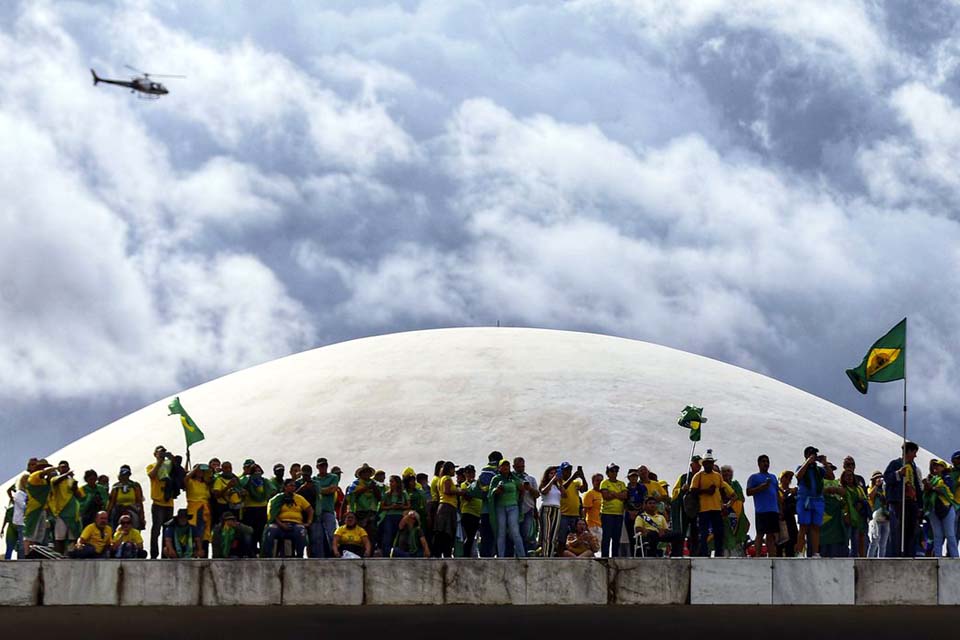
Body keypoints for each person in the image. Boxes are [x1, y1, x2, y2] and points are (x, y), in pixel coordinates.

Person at [883, 441, 921, 557]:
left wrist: (920, 505)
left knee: (910, 530)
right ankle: (894, 556)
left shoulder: (913, 467)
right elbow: (887, 478)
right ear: (908, 452)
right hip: (898, 502)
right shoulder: (895, 463)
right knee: (897, 530)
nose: (915, 456)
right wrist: (898, 474)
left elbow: (917, 486)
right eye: (914, 452)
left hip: (911, 503)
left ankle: (909, 555)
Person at [795, 446, 834, 557]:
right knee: (803, 526)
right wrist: (807, 462)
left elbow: (831, 476)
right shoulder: (801, 467)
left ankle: (816, 552)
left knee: (816, 527)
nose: (813, 456)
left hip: (817, 500)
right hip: (805, 500)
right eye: (811, 454)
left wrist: (825, 463)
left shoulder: (818, 470)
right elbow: (798, 476)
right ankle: (799, 552)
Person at [690, 451, 730, 557]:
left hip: (717, 508)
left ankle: (718, 553)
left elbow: (722, 490)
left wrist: (724, 504)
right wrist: (706, 491)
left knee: (719, 532)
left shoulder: (718, 476)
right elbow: (693, 491)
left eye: (711, 462)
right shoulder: (698, 476)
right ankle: (703, 553)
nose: (709, 464)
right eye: (707, 462)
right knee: (704, 533)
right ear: (703, 464)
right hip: (704, 509)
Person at [264, 478, 313, 557]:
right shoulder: (277, 498)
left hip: (296, 524)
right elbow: (272, 514)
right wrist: (281, 524)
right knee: (270, 530)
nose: (293, 487)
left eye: (294, 486)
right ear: (285, 487)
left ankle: (300, 556)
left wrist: (309, 522)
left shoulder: (299, 498)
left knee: (301, 531)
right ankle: (268, 556)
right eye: (290, 485)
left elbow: (310, 509)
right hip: (280, 524)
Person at [488, 459, 526, 557]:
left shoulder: (514, 478)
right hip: (500, 507)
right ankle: (501, 556)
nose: (505, 468)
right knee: (501, 532)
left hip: (513, 507)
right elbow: (490, 493)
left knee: (515, 531)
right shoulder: (496, 479)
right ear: (499, 468)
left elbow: (522, 489)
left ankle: (522, 556)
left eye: (507, 466)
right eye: (503, 466)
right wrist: (497, 490)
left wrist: (519, 499)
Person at [48, 460, 84, 554]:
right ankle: (59, 555)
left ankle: (70, 555)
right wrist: (67, 474)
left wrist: (73, 482)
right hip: (61, 512)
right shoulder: (55, 479)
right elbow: (55, 482)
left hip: (72, 512)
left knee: (73, 537)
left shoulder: (70, 480)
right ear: (59, 469)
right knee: (60, 537)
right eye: (62, 467)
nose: (64, 469)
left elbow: (78, 495)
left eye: (65, 467)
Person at [923, 459, 958, 557]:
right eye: (935, 465)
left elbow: (947, 491)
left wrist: (933, 488)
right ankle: (937, 559)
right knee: (937, 536)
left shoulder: (947, 478)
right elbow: (926, 493)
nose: (936, 467)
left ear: (943, 468)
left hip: (947, 508)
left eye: (939, 465)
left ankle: (955, 558)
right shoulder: (932, 479)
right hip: (934, 509)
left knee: (950, 535)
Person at [746, 454, 780, 558]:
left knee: (771, 535)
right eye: (763, 461)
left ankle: (772, 556)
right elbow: (748, 492)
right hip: (762, 510)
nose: (766, 463)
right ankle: (757, 555)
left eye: (767, 461)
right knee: (760, 533)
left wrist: (780, 509)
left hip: (773, 510)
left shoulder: (773, 477)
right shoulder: (754, 477)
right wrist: (762, 487)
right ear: (759, 464)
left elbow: (776, 493)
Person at [670, 455, 702, 558]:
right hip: (684, 509)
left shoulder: (702, 477)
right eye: (697, 464)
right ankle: (677, 553)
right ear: (692, 465)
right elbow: (674, 493)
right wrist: (681, 490)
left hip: (697, 509)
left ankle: (695, 554)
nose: (698, 466)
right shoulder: (684, 477)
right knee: (681, 532)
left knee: (695, 533)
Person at [23, 459, 57, 555]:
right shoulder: (34, 476)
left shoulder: (43, 481)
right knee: (30, 534)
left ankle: (33, 554)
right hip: (34, 510)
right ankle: (26, 554)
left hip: (42, 509)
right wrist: (52, 469)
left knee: (38, 535)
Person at [146, 446, 175, 559]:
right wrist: (159, 462)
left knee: (167, 531)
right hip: (158, 502)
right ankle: (154, 554)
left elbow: (178, 472)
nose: (162, 454)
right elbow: (152, 475)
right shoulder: (151, 466)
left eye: (164, 452)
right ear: (155, 454)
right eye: (160, 452)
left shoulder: (169, 465)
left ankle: (165, 554)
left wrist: (172, 459)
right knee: (156, 530)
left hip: (169, 502)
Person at [347, 463, 381, 549]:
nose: (367, 474)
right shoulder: (356, 483)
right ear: (361, 474)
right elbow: (351, 495)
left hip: (372, 512)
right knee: (361, 533)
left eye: (368, 472)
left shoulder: (375, 484)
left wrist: (374, 488)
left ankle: (371, 551)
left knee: (372, 533)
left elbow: (380, 497)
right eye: (364, 472)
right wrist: (366, 488)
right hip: (360, 512)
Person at [240, 463, 270, 555]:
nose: (258, 472)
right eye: (255, 471)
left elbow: (270, 492)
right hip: (250, 510)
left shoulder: (265, 481)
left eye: (259, 471)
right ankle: (250, 552)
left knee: (261, 532)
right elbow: (239, 485)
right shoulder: (246, 480)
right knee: (251, 532)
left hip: (262, 509)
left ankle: (262, 552)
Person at [599, 463, 628, 557]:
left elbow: (625, 496)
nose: (614, 473)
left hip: (619, 514)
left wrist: (613, 494)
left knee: (616, 537)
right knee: (606, 537)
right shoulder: (605, 483)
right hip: (607, 514)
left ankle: (615, 556)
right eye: (612, 471)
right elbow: (606, 496)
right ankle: (605, 557)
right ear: (607, 473)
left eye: (616, 471)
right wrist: (619, 495)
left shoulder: (622, 483)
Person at [840, 468, 870, 557]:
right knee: (846, 541)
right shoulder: (842, 489)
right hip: (848, 518)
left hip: (858, 519)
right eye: (847, 476)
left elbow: (865, 499)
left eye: (851, 476)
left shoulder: (858, 489)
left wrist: (861, 503)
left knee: (857, 542)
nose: (849, 478)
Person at [314, 458, 340, 558]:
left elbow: (332, 490)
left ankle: (334, 554)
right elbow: (327, 489)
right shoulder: (314, 478)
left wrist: (319, 489)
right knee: (318, 536)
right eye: (321, 465)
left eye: (324, 465)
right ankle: (320, 557)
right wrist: (326, 489)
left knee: (331, 534)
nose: (323, 467)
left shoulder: (333, 477)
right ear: (317, 467)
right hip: (317, 512)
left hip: (328, 510)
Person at [513, 457, 539, 554]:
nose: (521, 468)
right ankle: (516, 554)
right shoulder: (511, 478)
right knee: (514, 534)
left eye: (522, 466)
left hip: (528, 509)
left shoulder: (530, 479)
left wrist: (529, 488)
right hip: (514, 509)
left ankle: (524, 554)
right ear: (514, 466)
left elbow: (537, 495)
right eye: (518, 467)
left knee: (526, 534)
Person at [477, 451, 502, 557]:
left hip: (484, 510)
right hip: (496, 510)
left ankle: (485, 557)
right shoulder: (498, 472)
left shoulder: (484, 471)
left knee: (486, 537)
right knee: (495, 536)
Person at [380, 474, 411, 558]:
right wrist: (391, 507)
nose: (390, 483)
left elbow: (408, 505)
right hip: (389, 516)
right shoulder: (387, 494)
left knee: (399, 537)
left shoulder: (403, 493)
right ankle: (387, 553)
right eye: (390, 481)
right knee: (388, 536)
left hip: (400, 516)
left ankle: (399, 553)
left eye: (392, 481)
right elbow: (382, 506)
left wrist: (400, 507)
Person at [184, 464, 212, 555]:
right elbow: (185, 479)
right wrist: (195, 468)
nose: (200, 472)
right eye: (198, 471)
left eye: (202, 471)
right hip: (194, 509)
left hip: (205, 509)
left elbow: (210, 475)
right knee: (194, 532)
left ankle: (204, 552)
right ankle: (194, 552)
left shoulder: (205, 484)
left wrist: (207, 469)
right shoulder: (190, 482)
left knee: (204, 533)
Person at [107, 465, 145, 531]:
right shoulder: (116, 487)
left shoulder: (135, 486)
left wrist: (141, 516)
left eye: (127, 474)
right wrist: (108, 514)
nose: (125, 476)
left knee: (135, 520)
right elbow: (112, 502)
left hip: (132, 507)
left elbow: (139, 501)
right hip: (119, 508)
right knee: (114, 518)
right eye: (123, 474)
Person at [721, 465, 749, 557]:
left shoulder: (735, 484)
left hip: (737, 514)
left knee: (738, 536)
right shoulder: (719, 486)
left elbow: (742, 498)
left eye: (728, 471)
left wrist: (731, 499)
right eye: (724, 472)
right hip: (724, 516)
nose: (726, 474)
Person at [558, 464, 587, 550]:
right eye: (566, 470)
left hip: (575, 515)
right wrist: (573, 477)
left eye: (570, 470)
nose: (569, 472)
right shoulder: (559, 482)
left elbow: (584, 489)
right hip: (564, 514)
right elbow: (564, 488)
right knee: (562, 538)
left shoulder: (575, 483)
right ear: (562, 471)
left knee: (576, 537)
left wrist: (582, 477)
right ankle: (561, 555)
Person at [538, 466, 563, 557]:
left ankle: (550, 554)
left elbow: (564, 495)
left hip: (557, 509)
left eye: (555, 473)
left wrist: (560, 482)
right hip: (547, 508)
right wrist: (552, 480)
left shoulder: (557, 486)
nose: (553, 475)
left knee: (553, 535)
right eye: (551, 473)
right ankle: (544, 554)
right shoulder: (545, 484)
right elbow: (544, 491)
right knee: (546, 534)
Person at [295, 464, 319, 557]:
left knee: (313, 537)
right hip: (300, 513)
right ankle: (299, 555)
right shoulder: (297, 483)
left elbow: (318, 497)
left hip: (312, 513)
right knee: (300, 536)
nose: (306, 477)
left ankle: (311, 556)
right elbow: (293, 496)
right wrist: (302, 488)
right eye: (304, 475)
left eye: (307, 475)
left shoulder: (315, 483)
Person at [459, 465, 483, 557]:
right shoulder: (464, 484)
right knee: (470, 537)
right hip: (468, 513)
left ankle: (471, 555)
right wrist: (474, 489)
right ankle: (466, 556)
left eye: (472, 472)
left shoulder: (477, 483)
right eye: (468, 472)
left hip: (477, 513)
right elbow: (468, 496)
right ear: (465, 474)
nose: (471, 474)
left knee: (474, 537)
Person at [212, 461, 244, 525]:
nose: (228, 470)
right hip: (224, 507)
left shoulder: (235, 479)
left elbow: (240, 490)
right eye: (226, 468)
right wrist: (227, 487)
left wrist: (243, 493)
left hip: (236, 507)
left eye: (230, 468)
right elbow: (216, 495)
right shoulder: (219, 480)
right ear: (222, 469)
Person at [866, 470, 889, 557]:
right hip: (875, 518)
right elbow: (870, 496)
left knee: (883, 543)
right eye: (877, 478)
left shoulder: (884, 489)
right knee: (874, 541)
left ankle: (881, 560)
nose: (879, 479)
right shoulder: (870, 488)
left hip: (885, 517)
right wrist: (876, 485)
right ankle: (870, 560)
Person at [777, 470, 798, 557]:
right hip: (780, 520)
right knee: (779, 546)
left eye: (790, 478)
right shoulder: (777, 490)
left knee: (791, 545)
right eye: (786, 477)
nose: (788, 479)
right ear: (781, 478)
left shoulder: (793, 491)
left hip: (790, 520)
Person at [582, 473, 604, 546]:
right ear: (593, 482)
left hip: (601, 525)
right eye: (597, 481)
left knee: (600, 547)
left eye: (601, 481)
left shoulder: (603, 494)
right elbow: (584, 511)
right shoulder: (590, 494)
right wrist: (585, 526)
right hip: (592, 525)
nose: (599, 483)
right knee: (593, 546)